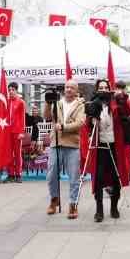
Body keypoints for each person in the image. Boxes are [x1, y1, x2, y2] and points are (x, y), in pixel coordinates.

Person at [86, 80, 122, 222]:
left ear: (109, 89)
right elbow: (87, 124)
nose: (103, 90)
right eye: (100, 88)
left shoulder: (115, 103)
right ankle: (99, 209)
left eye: (105, 87)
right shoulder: (93, 103)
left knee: (115, 177)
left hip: (114, 145)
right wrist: (92, 120)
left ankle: (114, 206)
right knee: (99, 179)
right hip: (99, 146)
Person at [48, 83, 85, 217]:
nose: (68, 89)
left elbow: (80, 123)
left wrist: (64, 127)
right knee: (51, 174)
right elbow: (47, 116)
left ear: (76, 90)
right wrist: (48, 103)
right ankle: (54, 199)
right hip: (55, 143)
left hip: (72, 144)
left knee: (74, 176)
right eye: (67, 87)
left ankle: (73, 204)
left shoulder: (80, 105)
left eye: (72, 87)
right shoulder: (57, 103)